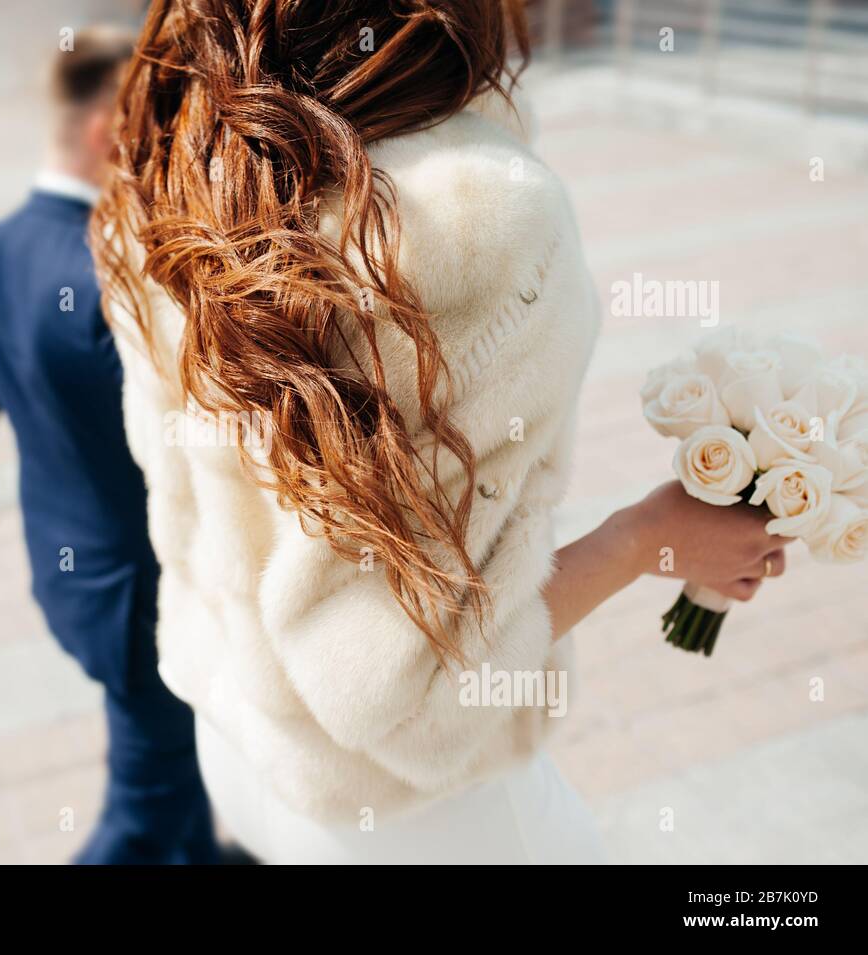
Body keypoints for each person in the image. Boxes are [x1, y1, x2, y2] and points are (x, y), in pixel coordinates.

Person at [90, 0, 789, 864]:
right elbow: (418, 693)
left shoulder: (183, 144)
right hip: (421, 821)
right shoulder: (470, 225)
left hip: (241, 749)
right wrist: (651, 537)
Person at [0, 25, 221, 865]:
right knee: (145, 798)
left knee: (172, 758)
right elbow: (186, 441)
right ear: (106, 135)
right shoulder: (106, 283)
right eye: (160, 128)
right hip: (141, 599)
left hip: (68, 570)